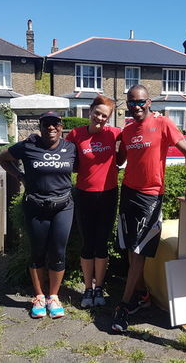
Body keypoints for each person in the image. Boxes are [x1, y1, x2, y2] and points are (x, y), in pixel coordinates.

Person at [111, 85, 186, 332]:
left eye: (140, 102)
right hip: (128, 193)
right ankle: (141, 296)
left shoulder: (163, 124)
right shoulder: (128, 130)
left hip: (151, 196)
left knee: (139, 252)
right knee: (130, 251)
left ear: (149, 102)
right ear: (127, 105)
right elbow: (120, 160)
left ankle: (123, 306)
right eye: (131, 103)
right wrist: (112, 139)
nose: (136, 107)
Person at [0, 111, 76, 319]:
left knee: (58, 252)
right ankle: (39, 296)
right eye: (46, 124)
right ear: (40, 127)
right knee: (38, 252)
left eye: (55, 124)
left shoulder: (70, 148)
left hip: (63, 207)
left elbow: (85, 168)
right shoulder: (27, 146)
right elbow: (2, 158)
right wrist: (19, 175)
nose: (51, 128)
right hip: (35, 206)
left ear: (61, 126)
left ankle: (54, 297)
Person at [66, 96, 121, 308]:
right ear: (90, 111)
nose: (100, 118)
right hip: (84, 195)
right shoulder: (76, 134)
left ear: (109, 119)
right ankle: (88, 288)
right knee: (87, 243)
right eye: (97, 113)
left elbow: (136, 137)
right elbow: (65, 159)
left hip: (108, 194)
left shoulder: (114, 133)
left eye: (104, 116)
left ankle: (100, 288)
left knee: (102, 244)